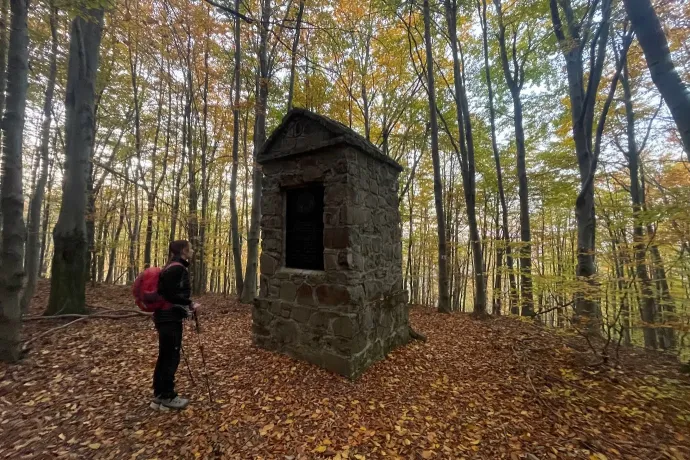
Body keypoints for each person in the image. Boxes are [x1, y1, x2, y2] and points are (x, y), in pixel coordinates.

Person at [150, 240, 199, 411]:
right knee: (171, 357)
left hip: (166, 318)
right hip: (169, 319)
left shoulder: (172, 266)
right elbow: (170, 294)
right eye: (190, 248)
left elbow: (169, 293)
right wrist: (189, 303)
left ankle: (159, 396)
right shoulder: (177, 268)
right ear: (183, 250)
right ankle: (168, 395)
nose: (192, 250)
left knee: (165, 356)